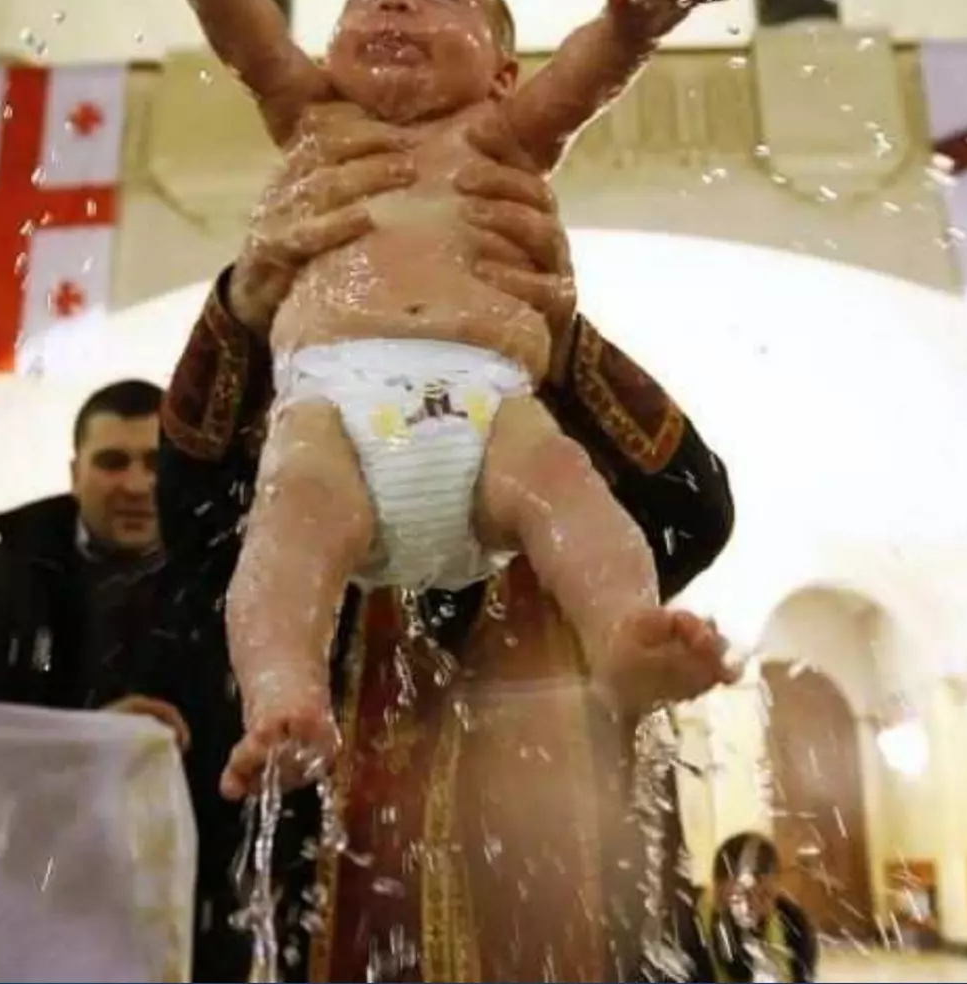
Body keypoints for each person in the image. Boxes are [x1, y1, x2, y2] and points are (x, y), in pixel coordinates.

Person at [139, 0, 738, 791]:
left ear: (503, 74)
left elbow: (580, 82)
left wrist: (631, 22)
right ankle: (284, 700)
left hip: (490, 398)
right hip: (329, 403)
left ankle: (623, 638)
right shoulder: (313, 125)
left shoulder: (502, 140)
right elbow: (253, 43)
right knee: (286, 534)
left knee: (571, 493)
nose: (396, 6)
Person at [135, 106, 739, 982]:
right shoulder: (307, 475)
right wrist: (240, 309)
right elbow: (193, 526)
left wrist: (562, 337)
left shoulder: (553, 476)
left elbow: (697, 508)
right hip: (334, 925)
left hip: (568, 918)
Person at [0, 379, 170, 709]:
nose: (136, 485)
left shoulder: (230, 596)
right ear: (75, 474)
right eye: (112, 462)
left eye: (157, 463)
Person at [676, 833, 818, 983]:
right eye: (741, 896)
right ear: (716, 891)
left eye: (765, 896)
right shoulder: (685, 928)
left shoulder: (795, 927)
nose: (753, 908)